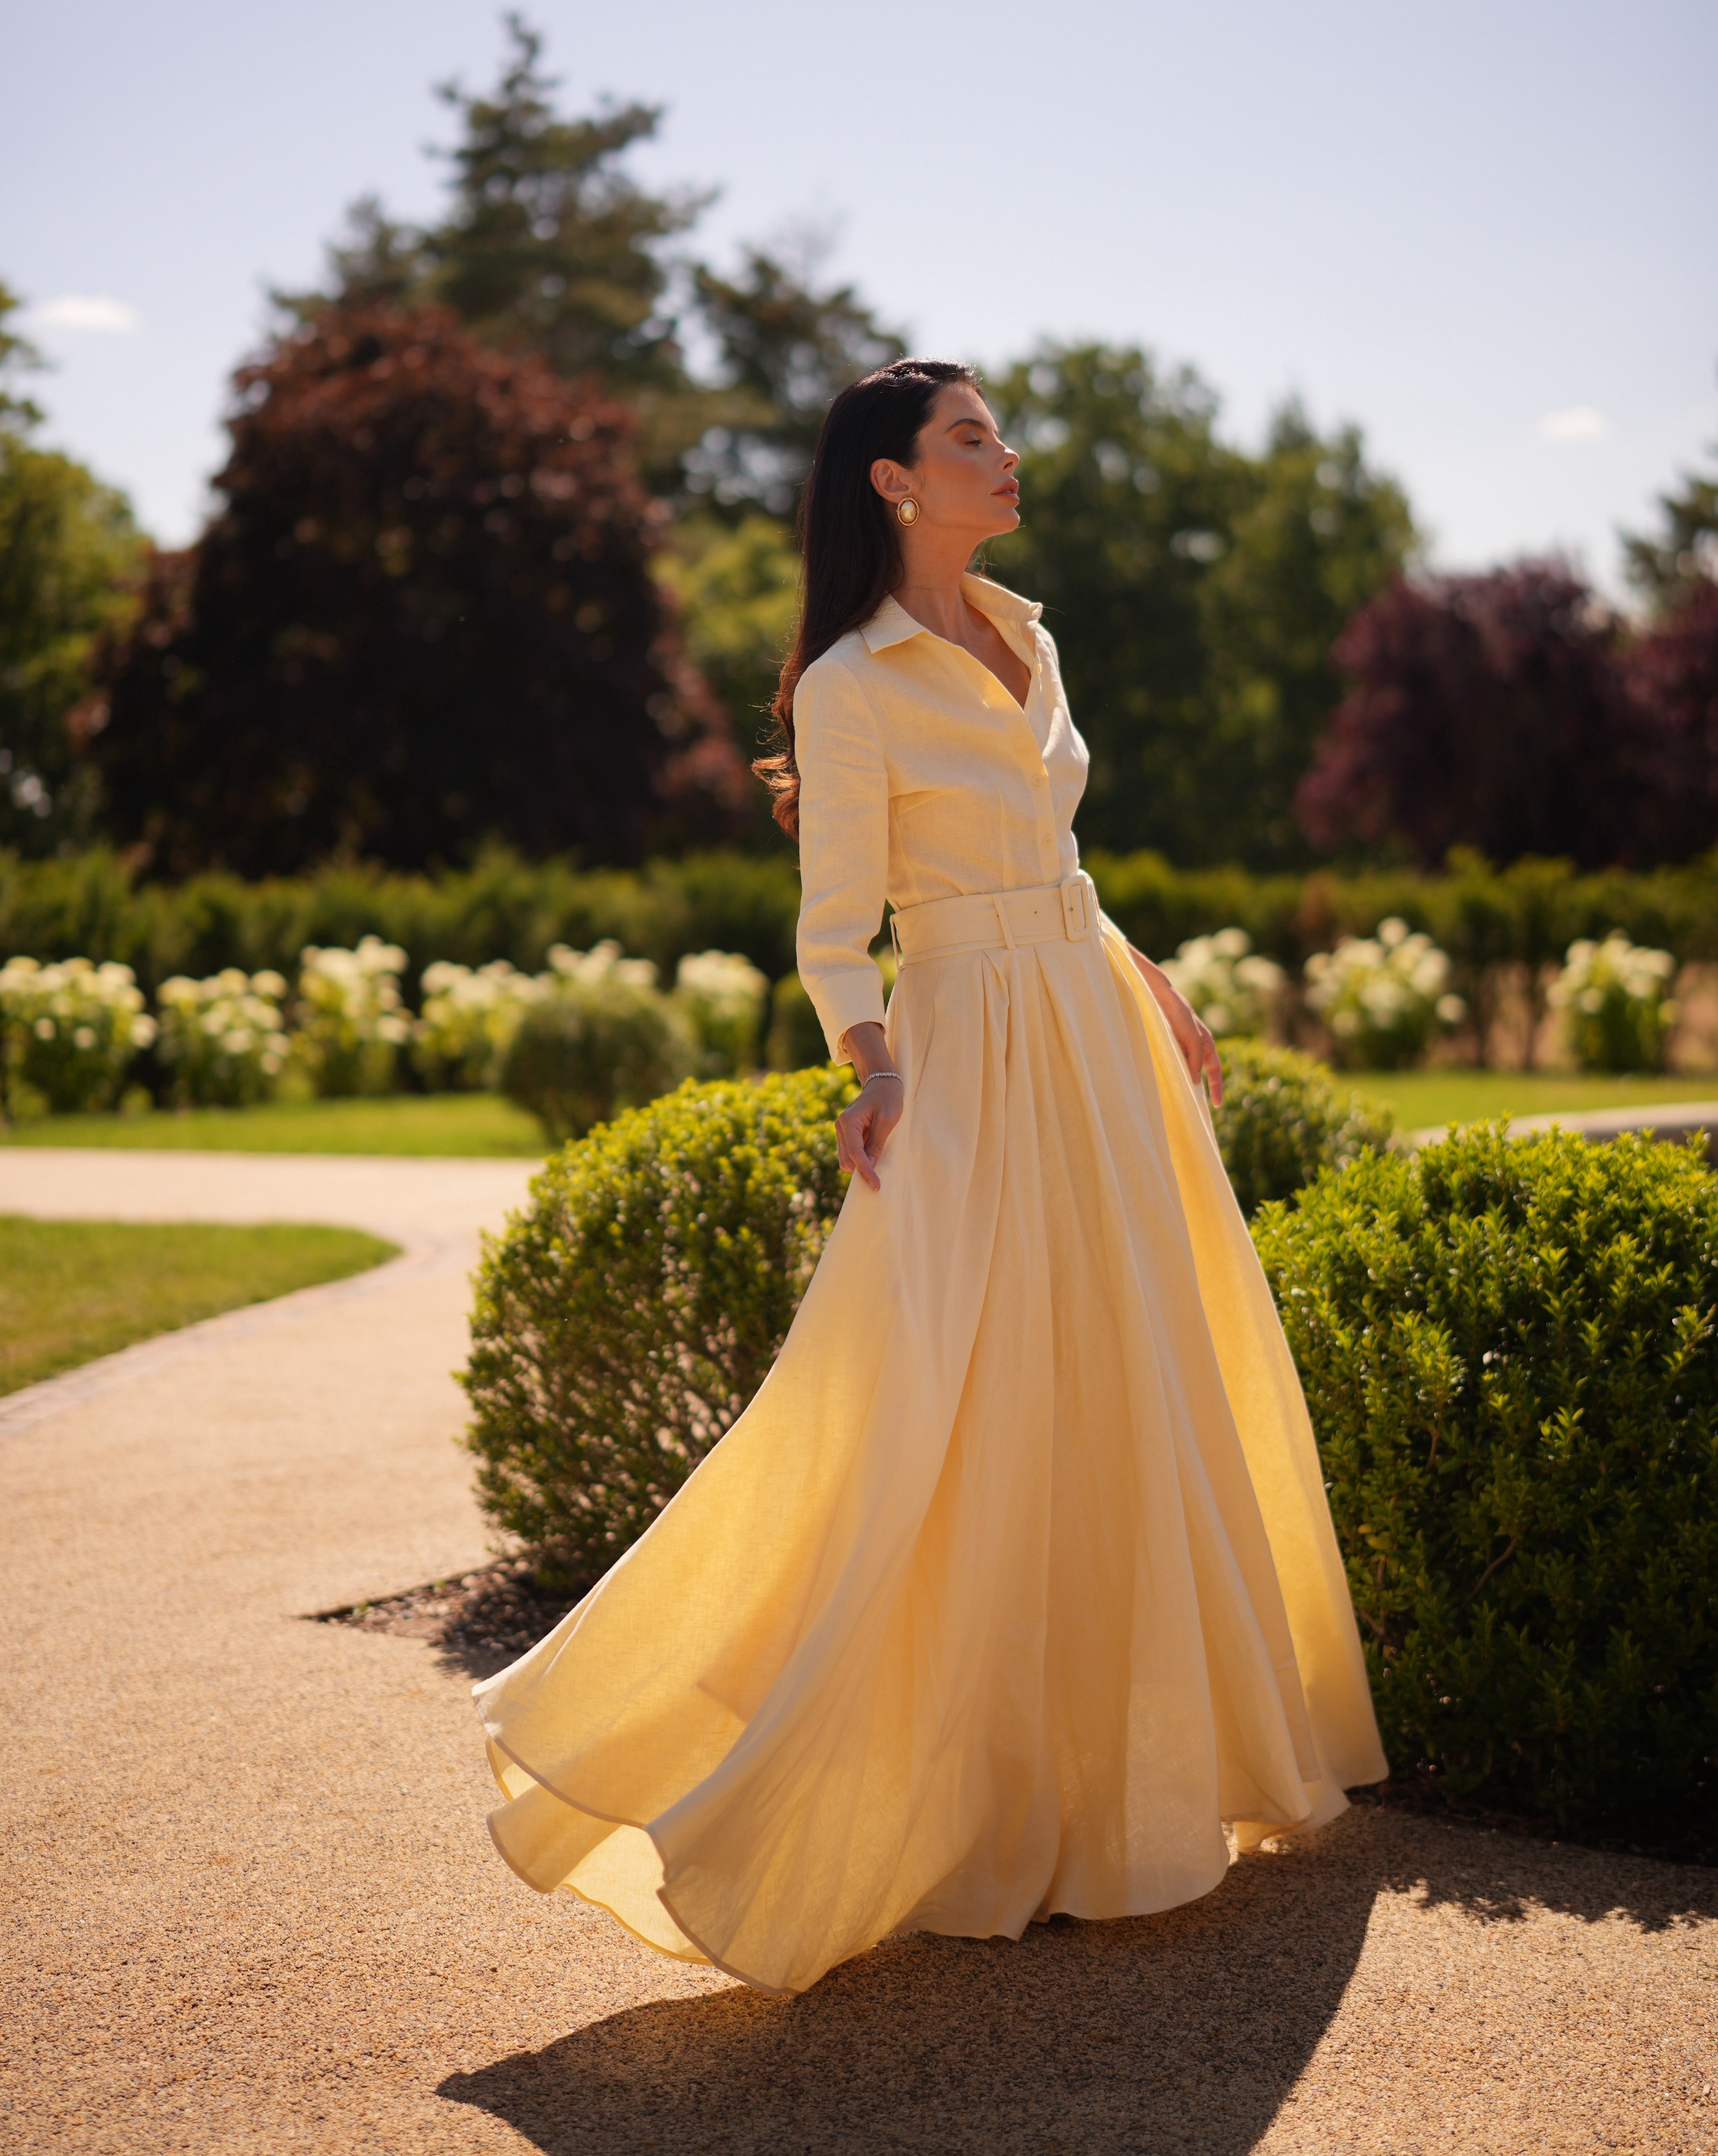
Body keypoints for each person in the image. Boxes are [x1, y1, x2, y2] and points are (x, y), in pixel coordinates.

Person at [472, 358, 1386, 1996]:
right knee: (936, 1404)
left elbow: (1057, 856)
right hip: (970, 1055)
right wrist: (872, 1066)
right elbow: (836, 929)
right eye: (968, 436)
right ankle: (792, 1776)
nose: (1004, 452)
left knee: (1128, 1382)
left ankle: (1111, 1797)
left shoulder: (1027, 636)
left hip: (1094, 1036)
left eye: (995, 430)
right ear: (893, 480)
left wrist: (1149, 978)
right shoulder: (850, 678)